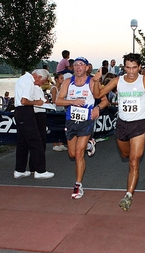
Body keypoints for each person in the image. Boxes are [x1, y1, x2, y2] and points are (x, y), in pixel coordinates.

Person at [93, 53, 145, 211]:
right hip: (122, 124)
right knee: (126, 156)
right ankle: (130, 187)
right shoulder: (117, 81)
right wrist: (96, 80)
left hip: (139, 124)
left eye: (134, 67)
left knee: (134, 161)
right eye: (128, 67)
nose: (131, 71)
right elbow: (98, 94)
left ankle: (128, 196)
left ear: (139, 67)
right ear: (123, 67)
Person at [55, 57, 104, 199]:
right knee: (71, 154)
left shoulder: (92, 82)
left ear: (87, 67)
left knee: (78, 153)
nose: (78, 67)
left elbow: (104, 99)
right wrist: (73, 101)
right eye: (75, 65)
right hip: (71, 120)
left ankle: (78, 186)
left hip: (86, 120)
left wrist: (97, 108)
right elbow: (58, 100)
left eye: (81, 65)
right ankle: (90, 145)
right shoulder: (67, 82)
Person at [13, 69, 54, 179]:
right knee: (36, 141)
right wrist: (38, 102)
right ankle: (40, 170)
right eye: (43, 81)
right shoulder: (29, 82)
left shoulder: (23, 79)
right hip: (25, 111)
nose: (42, 83)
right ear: (38, 77)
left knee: (23, 142)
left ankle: (19, 169)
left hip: (19, 112)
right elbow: (24, 101)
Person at [50, 73, 68, 152]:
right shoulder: (54, 88)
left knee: (61, 127)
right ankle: (54, 144)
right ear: (56, 79)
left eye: (63, 78)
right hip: (55, 109)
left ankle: (60, 143)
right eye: (61, 78)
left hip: (61, 109)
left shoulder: (62, 88)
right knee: (54, 127)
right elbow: (54, 100)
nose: (63, 80)